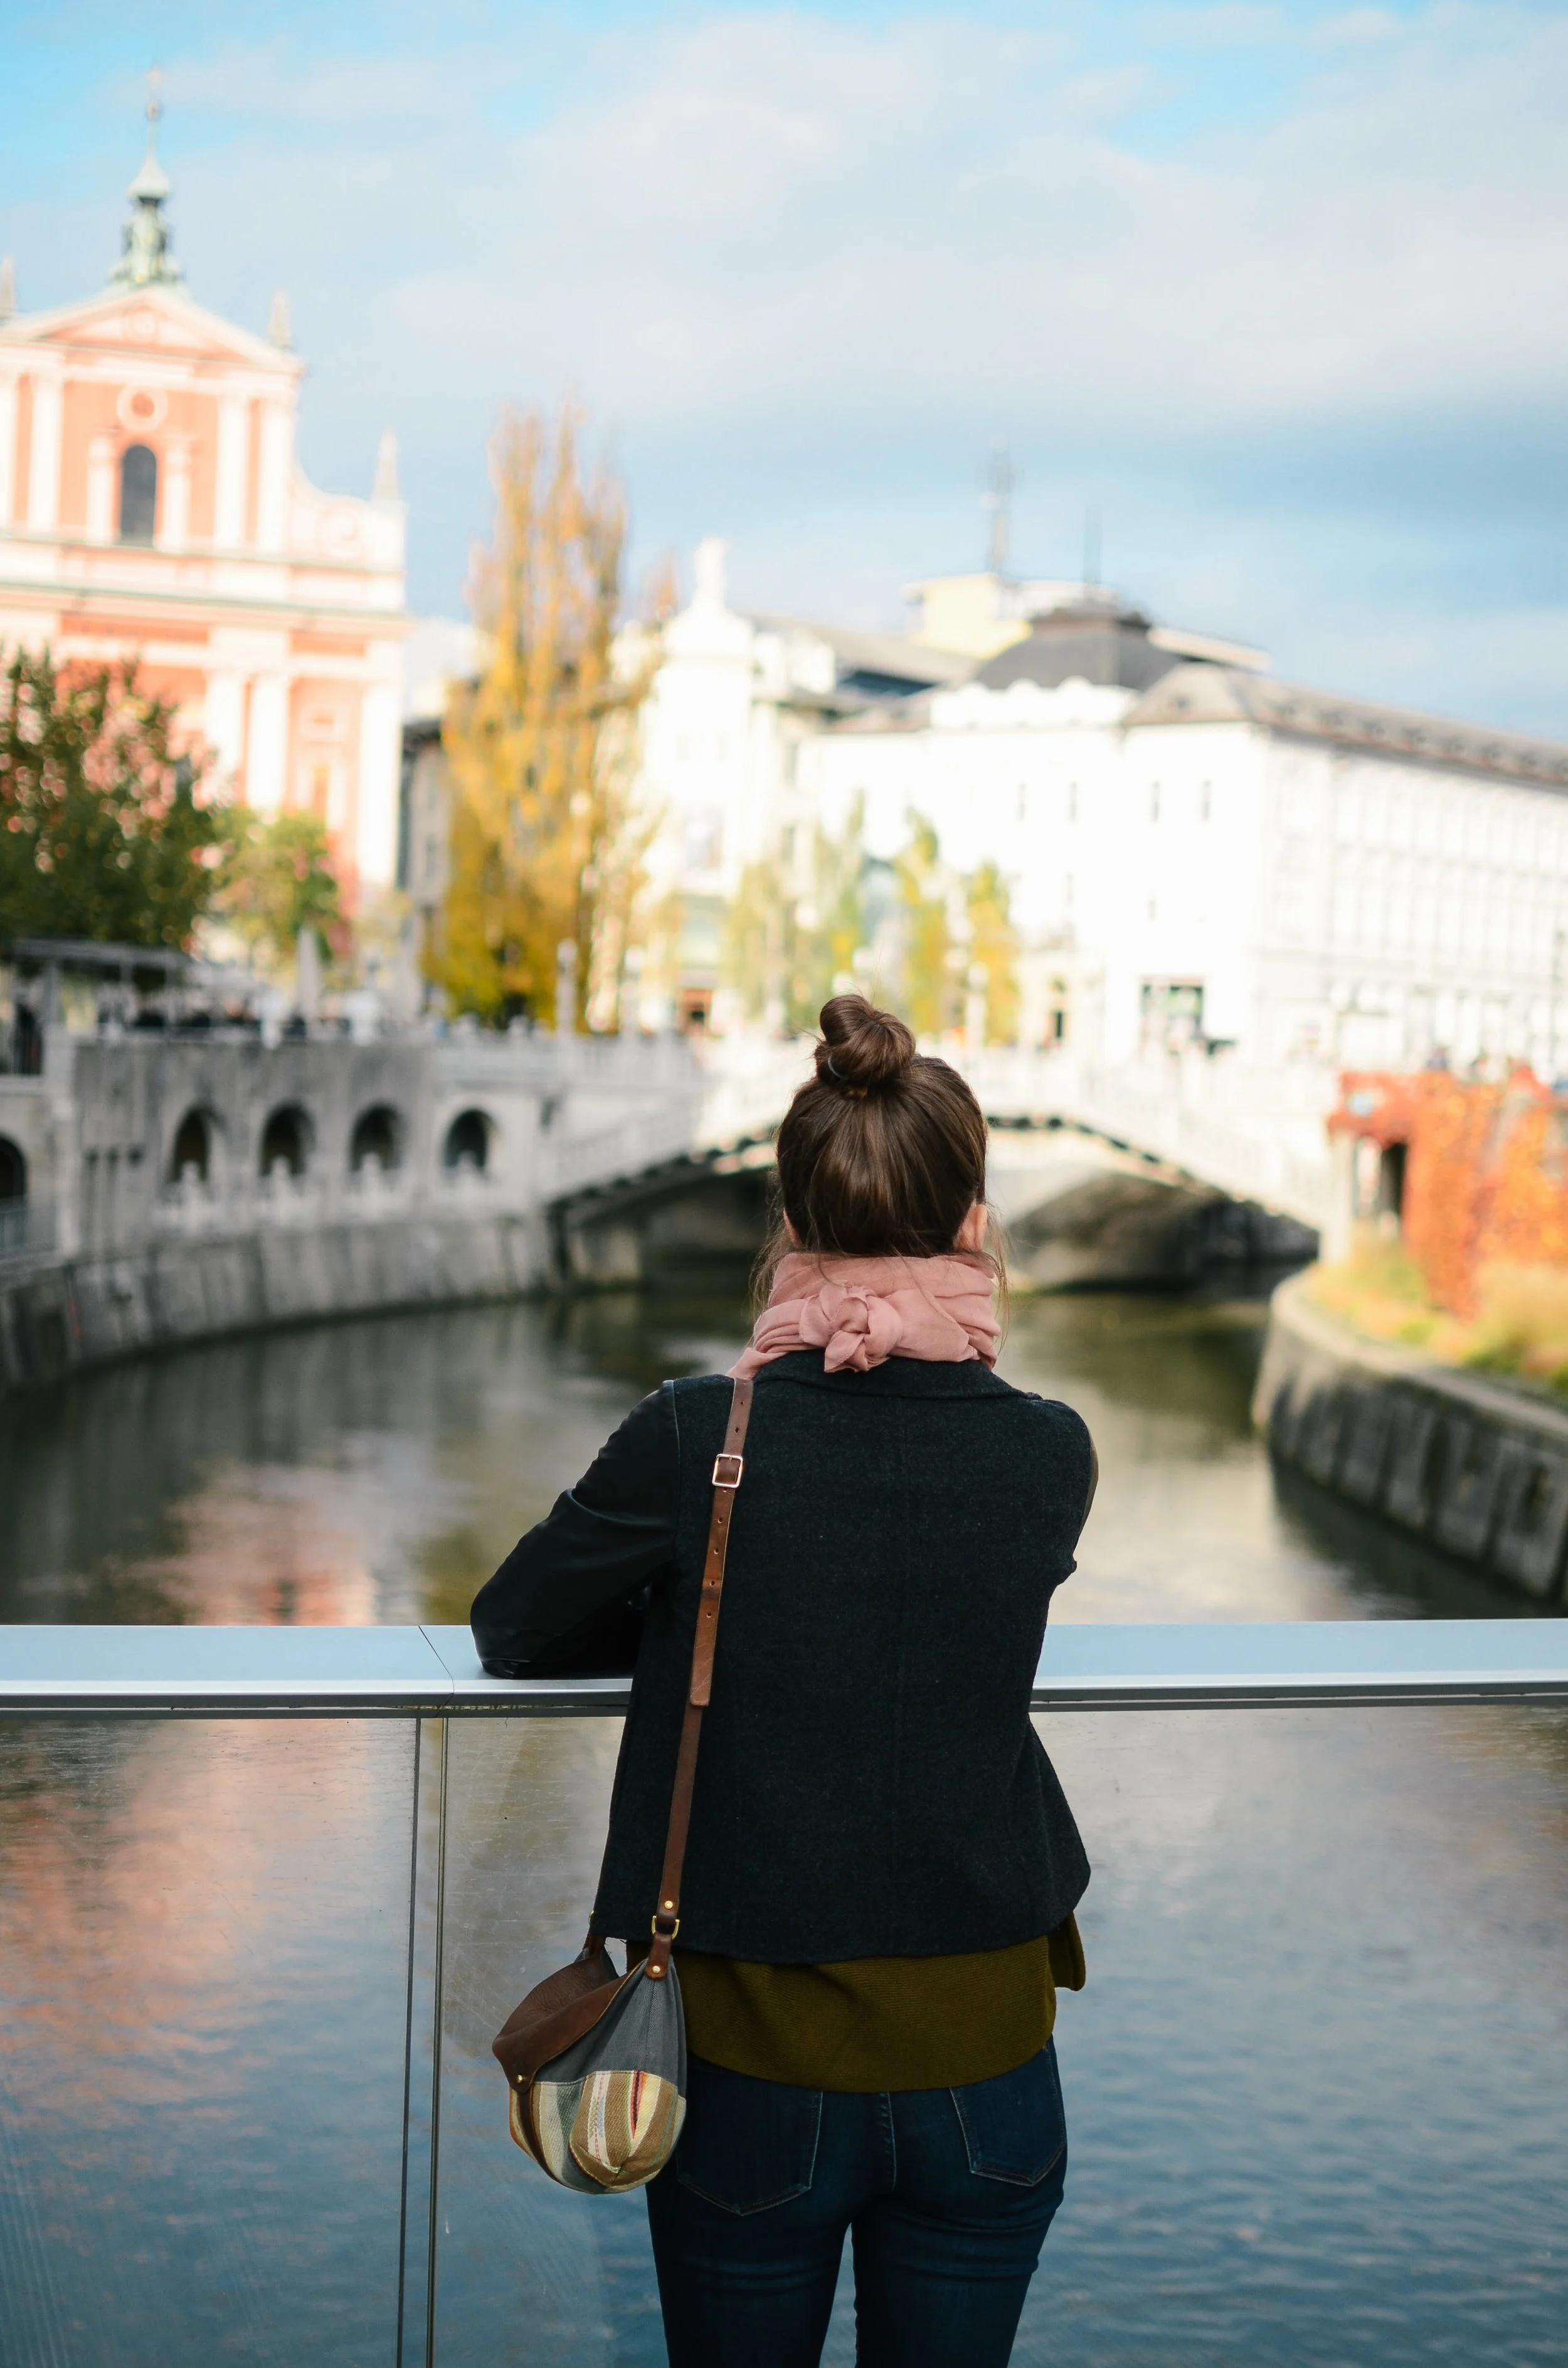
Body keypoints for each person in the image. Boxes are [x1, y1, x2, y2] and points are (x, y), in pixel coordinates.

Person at [472, 994, 1097, 2368]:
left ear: (791, 1223)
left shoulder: (701, 1432)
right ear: (972, 1223)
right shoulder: (1052, 1450)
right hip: (989, 2063)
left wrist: (694, 1608)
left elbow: (511, 1626)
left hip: (753, 2067)